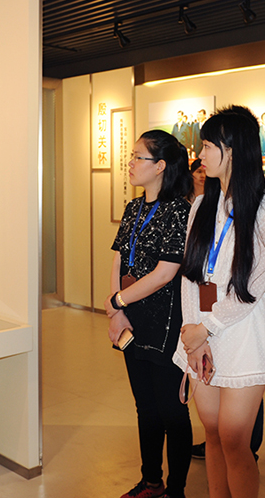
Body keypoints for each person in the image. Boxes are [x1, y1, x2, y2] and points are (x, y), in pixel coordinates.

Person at [174, 105, 265, 498]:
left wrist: (207, 328)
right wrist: (194, 335)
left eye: (207, 146)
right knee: (213, 433)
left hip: (242, 333)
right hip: (200, 333)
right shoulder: (202, 205)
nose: (200, 154)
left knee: (235, 439)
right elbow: (191, 277)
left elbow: (254, 286)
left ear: (233, 150)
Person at [105, 129, 192, 498]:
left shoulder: (180, 211)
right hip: (132, 319)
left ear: (160, 166)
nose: (130, 163)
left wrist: (118, 301)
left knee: (172, 411)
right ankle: (151, 481)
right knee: (145, 407)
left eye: (137, 156)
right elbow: (118, 259)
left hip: (167, 323)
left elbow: (165, 273)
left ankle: (176, 489)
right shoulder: (134, 208)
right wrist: (116, 310)